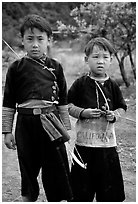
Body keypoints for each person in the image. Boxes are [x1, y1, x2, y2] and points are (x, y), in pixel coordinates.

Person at [2, 14, 73, 202]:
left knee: (55, 168)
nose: (35, 44)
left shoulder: (55, 68)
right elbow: (8, 102)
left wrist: (65, 127)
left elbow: (63, 100)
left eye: (40, 39)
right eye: (30, 39)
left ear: (49, 40)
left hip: (51, 122)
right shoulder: (15, 68)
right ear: (22, 41)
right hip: (25, 125)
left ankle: (56, 199)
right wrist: (7, 131)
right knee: (27, 166)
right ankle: (28, 197)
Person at [68, 37, 127, 202]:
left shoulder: (113, 85)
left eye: (105, 57)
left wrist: (114, 115)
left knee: (109, 193)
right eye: (95, 57)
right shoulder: (80, 84)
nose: (100, 61)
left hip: (107, 147)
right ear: (86, 60)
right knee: (80, 193)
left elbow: (122, 108)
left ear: (110, 60)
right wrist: (83, 112)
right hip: (83, 147)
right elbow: (67, 105)